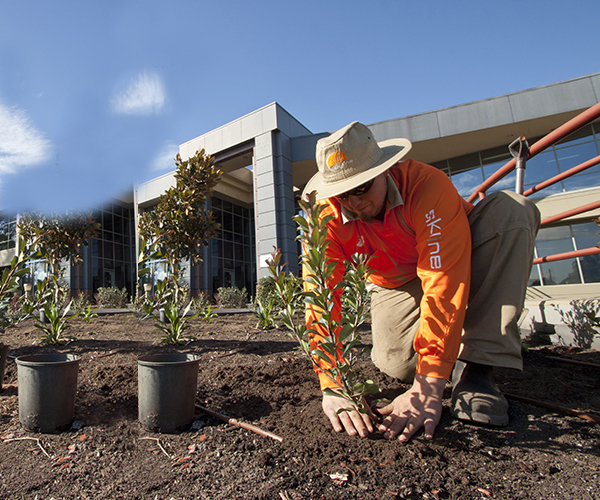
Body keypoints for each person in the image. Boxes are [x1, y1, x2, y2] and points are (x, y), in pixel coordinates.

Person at [301, 121, 540, 442]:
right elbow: (321, 298)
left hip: (461, 254)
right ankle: (450, 354)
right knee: (398, 365)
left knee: (513, 210)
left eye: (361, 188)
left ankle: (478, 366)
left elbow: (442, 281)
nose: (353, 202)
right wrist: (334, 383)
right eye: (342, 194)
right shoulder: (325, 218)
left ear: (385, 170)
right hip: (396, 282)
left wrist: (428, 388)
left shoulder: (426, 185)